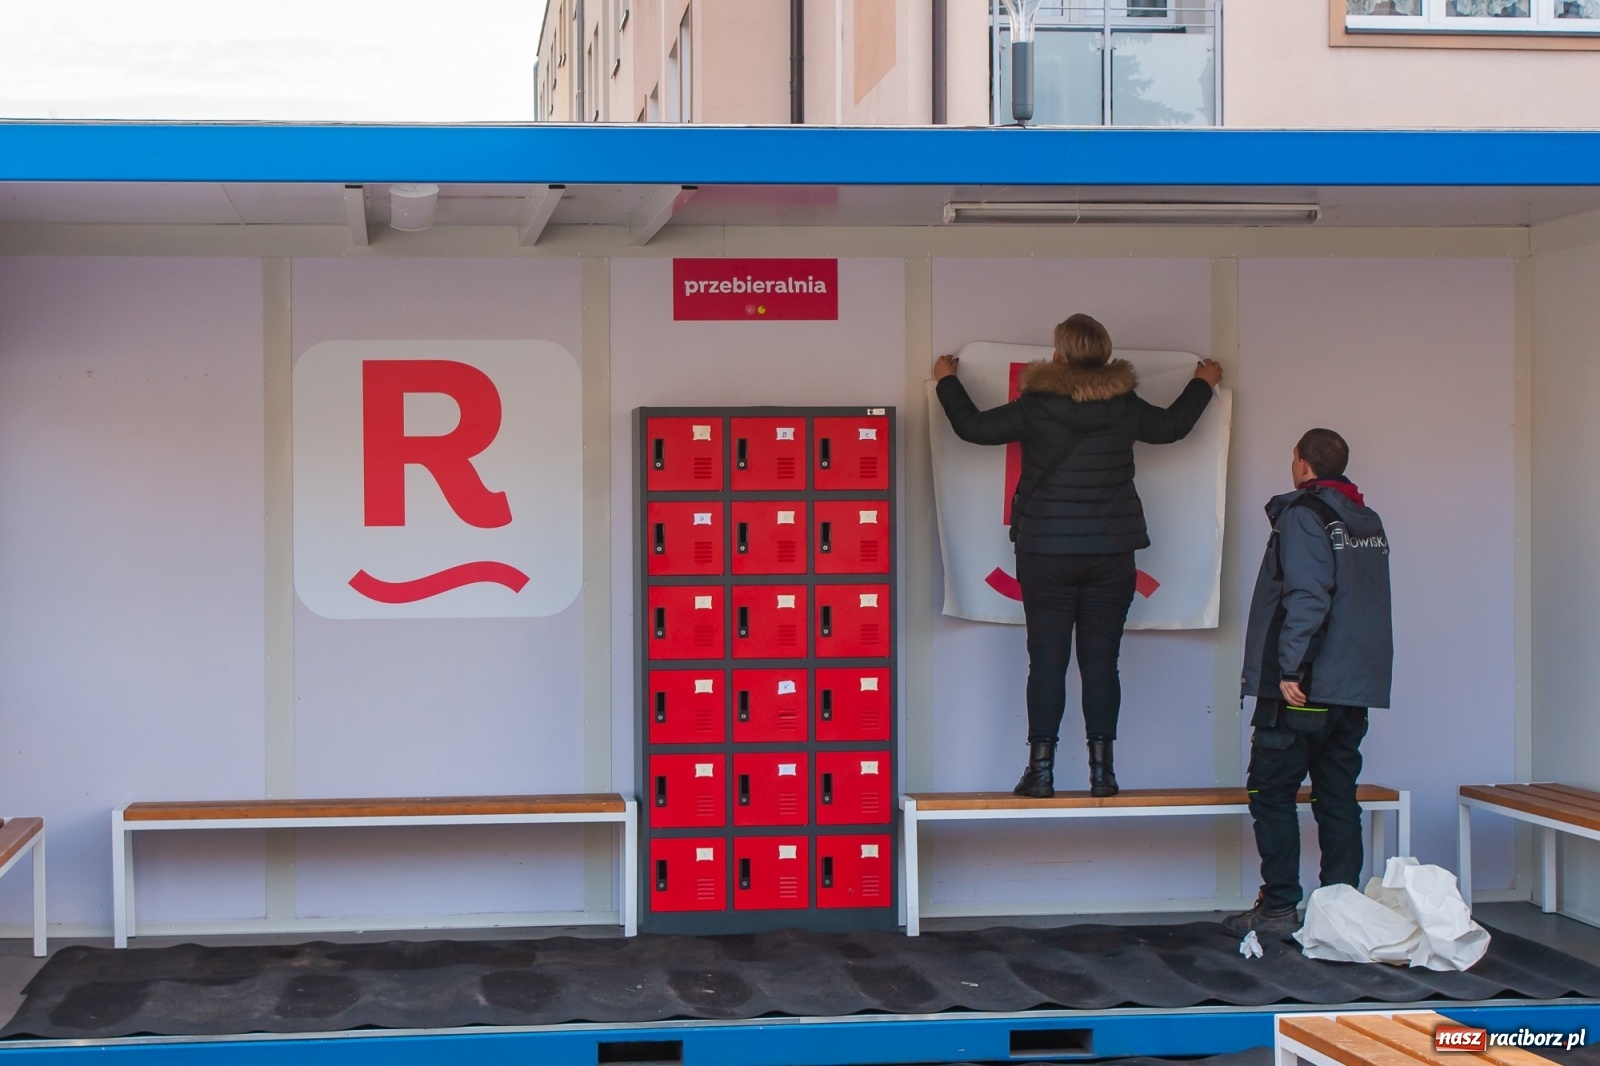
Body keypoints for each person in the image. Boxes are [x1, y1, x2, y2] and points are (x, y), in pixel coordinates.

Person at [934, 314, 1220, 798]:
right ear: (1105, 354)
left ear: (1061, 354)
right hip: (1111, 551)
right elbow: (1172, 427)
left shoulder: (1036, 406)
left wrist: (946, 380)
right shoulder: (1124, 405)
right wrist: (1202, 384)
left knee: (1046, 660)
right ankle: (1102, 773)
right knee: (1102, 662)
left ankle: (1040, 773)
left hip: (1045, 550)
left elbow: (972, 428)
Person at [1225, 428, 1393, 940]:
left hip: (1304, 687)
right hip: (1353, 687)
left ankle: (1278, 909)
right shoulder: (1367, 519)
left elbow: (1308, 594)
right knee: (1337, 796)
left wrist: (1290, 668)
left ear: (1302, 466)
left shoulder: (1305, 514)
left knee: (1270, 791)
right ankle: (1338, 914)